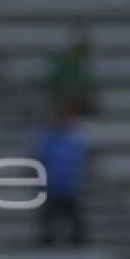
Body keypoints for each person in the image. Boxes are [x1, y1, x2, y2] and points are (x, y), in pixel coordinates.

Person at [35, 106, 88, 247]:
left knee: (74, 217)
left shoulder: (73, 139)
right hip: (51, 186)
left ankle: (77, 241)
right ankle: (47, 240)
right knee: (48, 216)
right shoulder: (47, 139)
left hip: (68, 186)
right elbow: (40, 159)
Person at [45, 33, 96, 116]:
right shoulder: (64, 62)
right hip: (63, 98)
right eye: (81, 48)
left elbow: (87, 87)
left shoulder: (82, 67)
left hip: (73, 101)